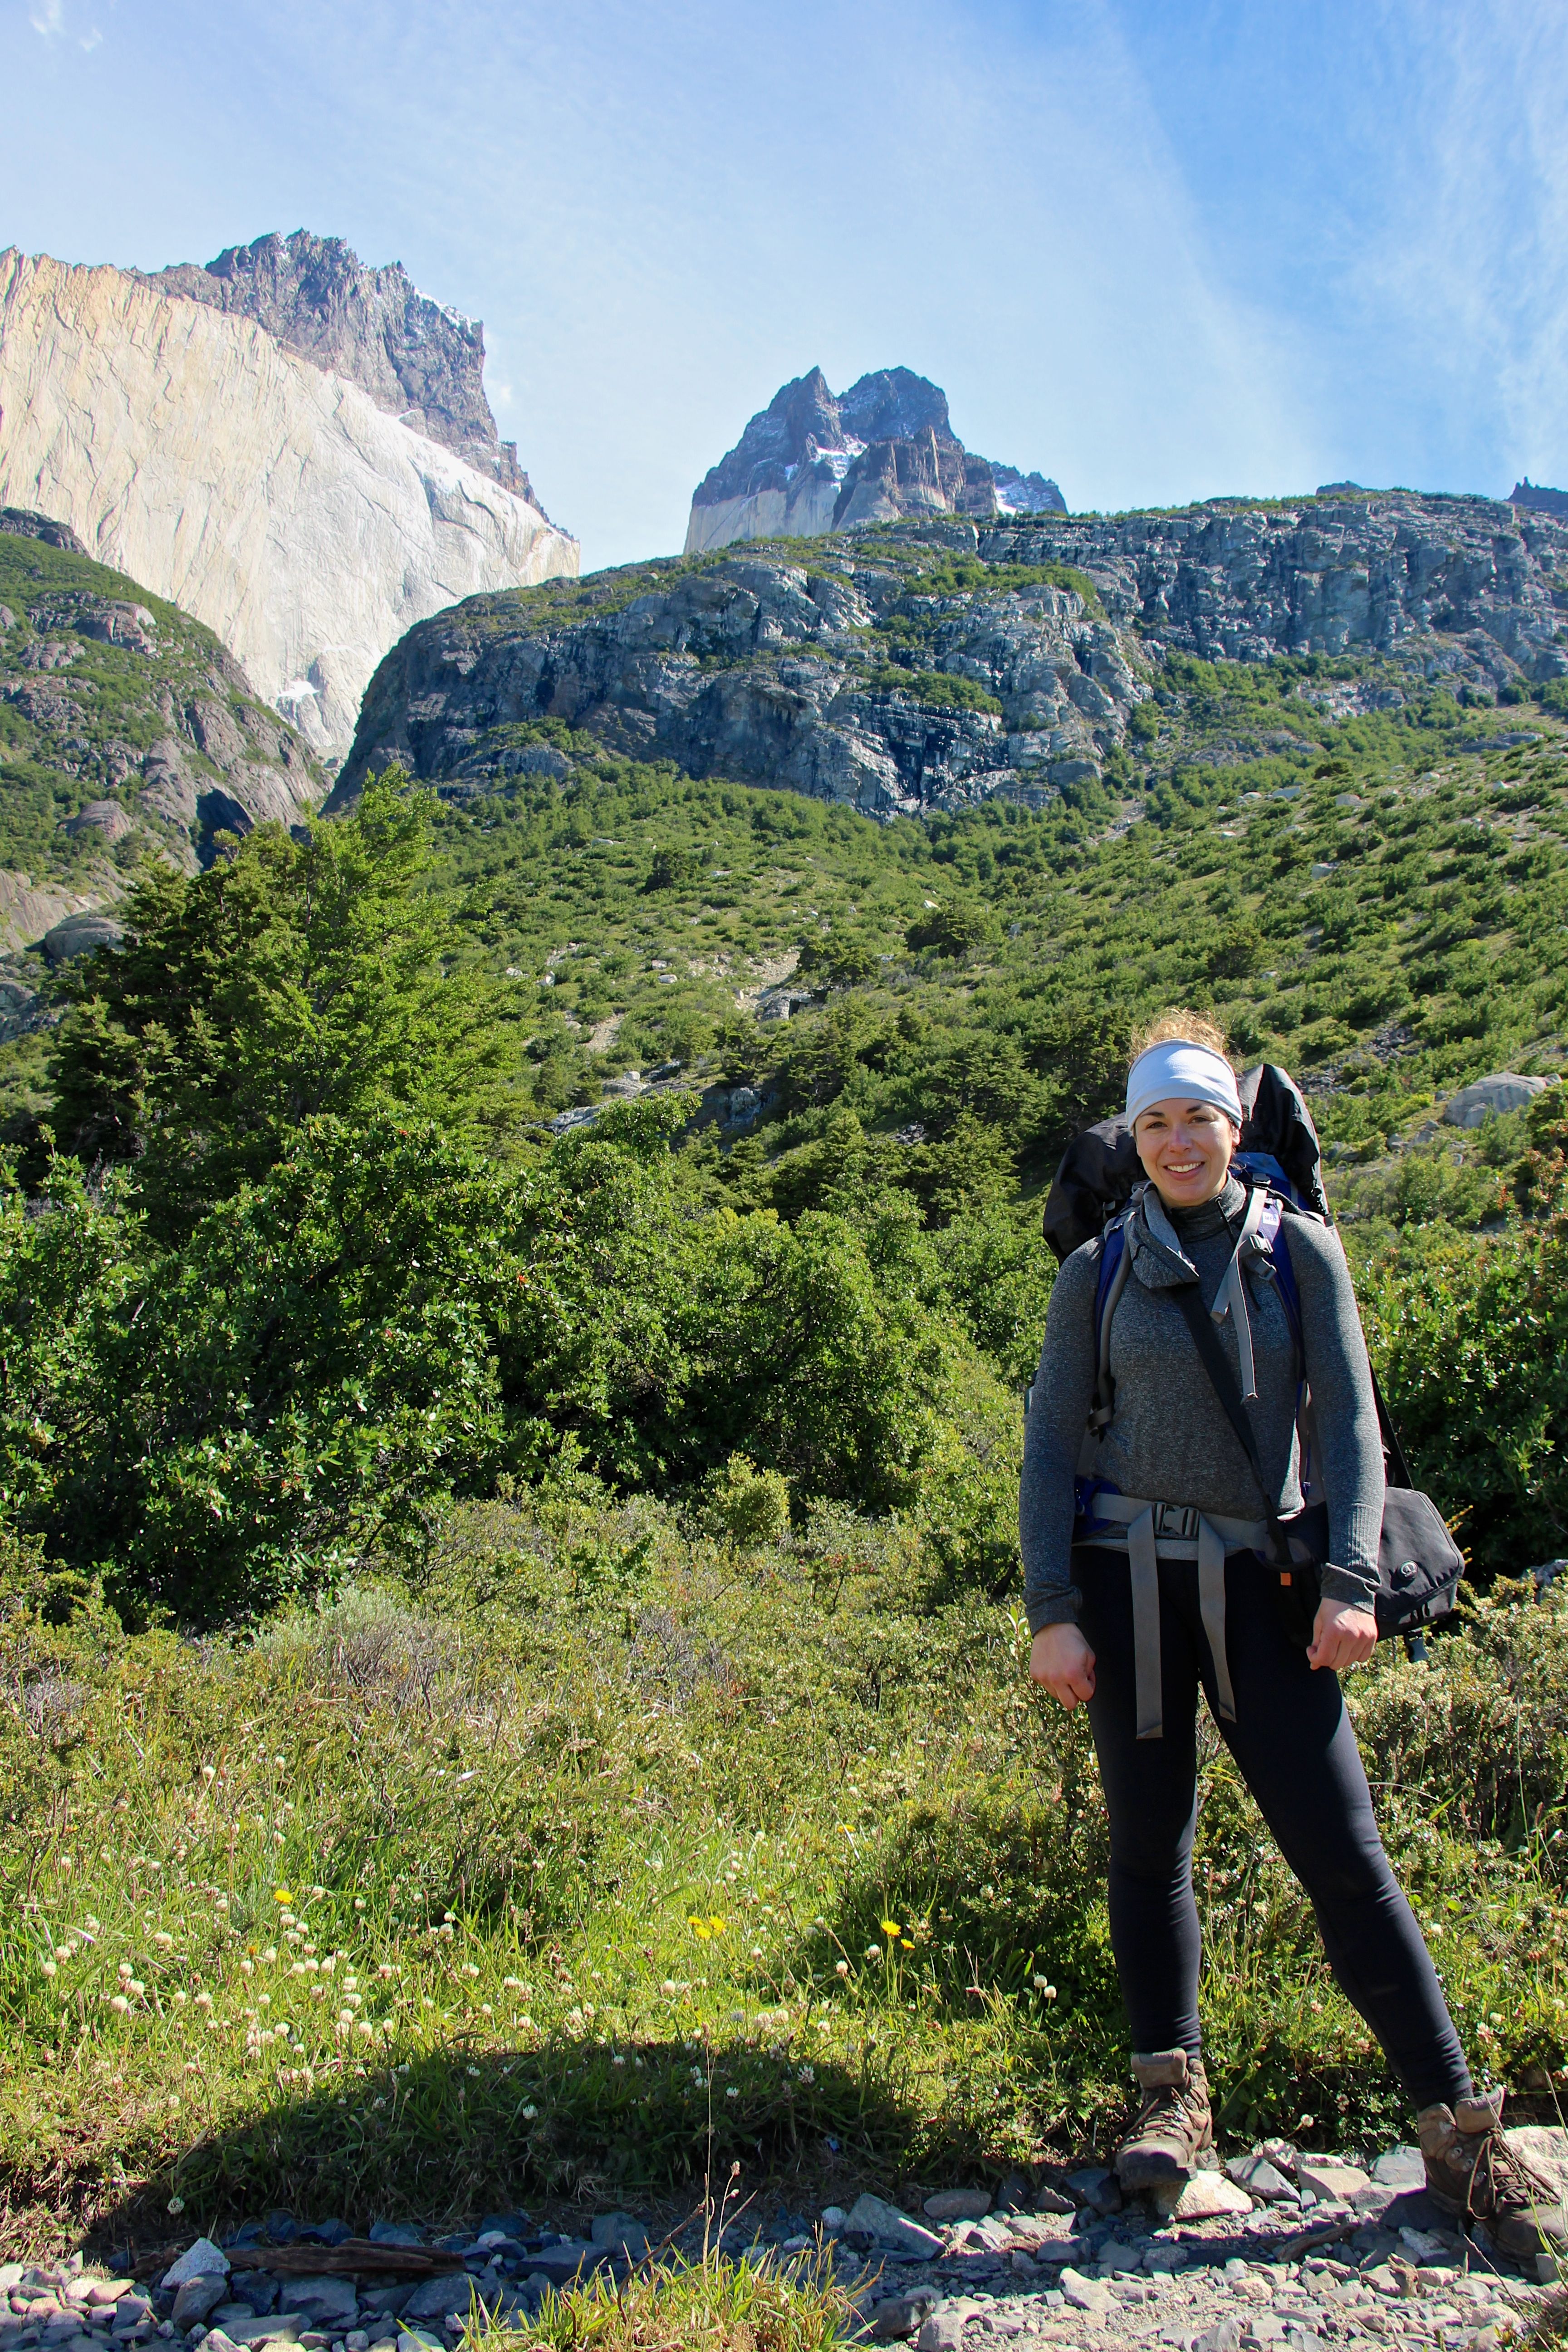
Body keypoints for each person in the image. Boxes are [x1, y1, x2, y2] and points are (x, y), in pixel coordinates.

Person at [1019, 1012, 1564, 2254]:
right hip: (1127, 1587)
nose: (1175, 1143)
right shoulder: (1091, 1270)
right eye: (1152, 1123)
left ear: (1234, 1126)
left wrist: (1353, 1581)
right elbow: (1051, 1445)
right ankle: (1171, 2107)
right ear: (1133, 1136)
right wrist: (1052, 1610)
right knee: (1148, 1847)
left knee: (1343, 1854)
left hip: (1269, 1591)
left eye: (1196, 1119)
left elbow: (1355, 1430)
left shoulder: (1298, 1253)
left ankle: (1456, 2132)